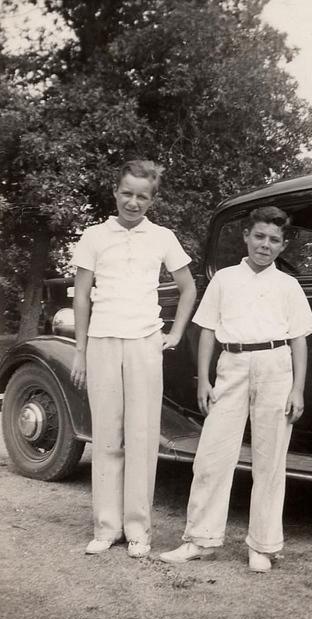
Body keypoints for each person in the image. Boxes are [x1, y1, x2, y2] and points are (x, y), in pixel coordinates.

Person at [160, 206, 312, 572]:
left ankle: (262, 545)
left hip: (276, 367)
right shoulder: (224, 279)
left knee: (270, 459)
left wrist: (297, 390)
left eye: (274, 240)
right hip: (232, 365)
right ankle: (200, 539)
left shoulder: (288, 286)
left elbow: (299, 341)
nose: (265, 245)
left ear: (282, 246)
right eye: (259, 236)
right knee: (212, 455)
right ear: (246, 236)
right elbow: (208, 331)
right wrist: (204, 378)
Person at [70, 159, 196, 557]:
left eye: (142, 196)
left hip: (145, 342)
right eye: (127, 193)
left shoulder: (162, 237)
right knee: (107, 434)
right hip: (103, 341)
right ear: (115, 192)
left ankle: (138, 530)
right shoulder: (93, 236)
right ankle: (106, 527)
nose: (133, 202)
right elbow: (82, 296)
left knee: (142, 436)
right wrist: (79, 350)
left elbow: (188, 288)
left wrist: (173, 334)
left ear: (152, 199)